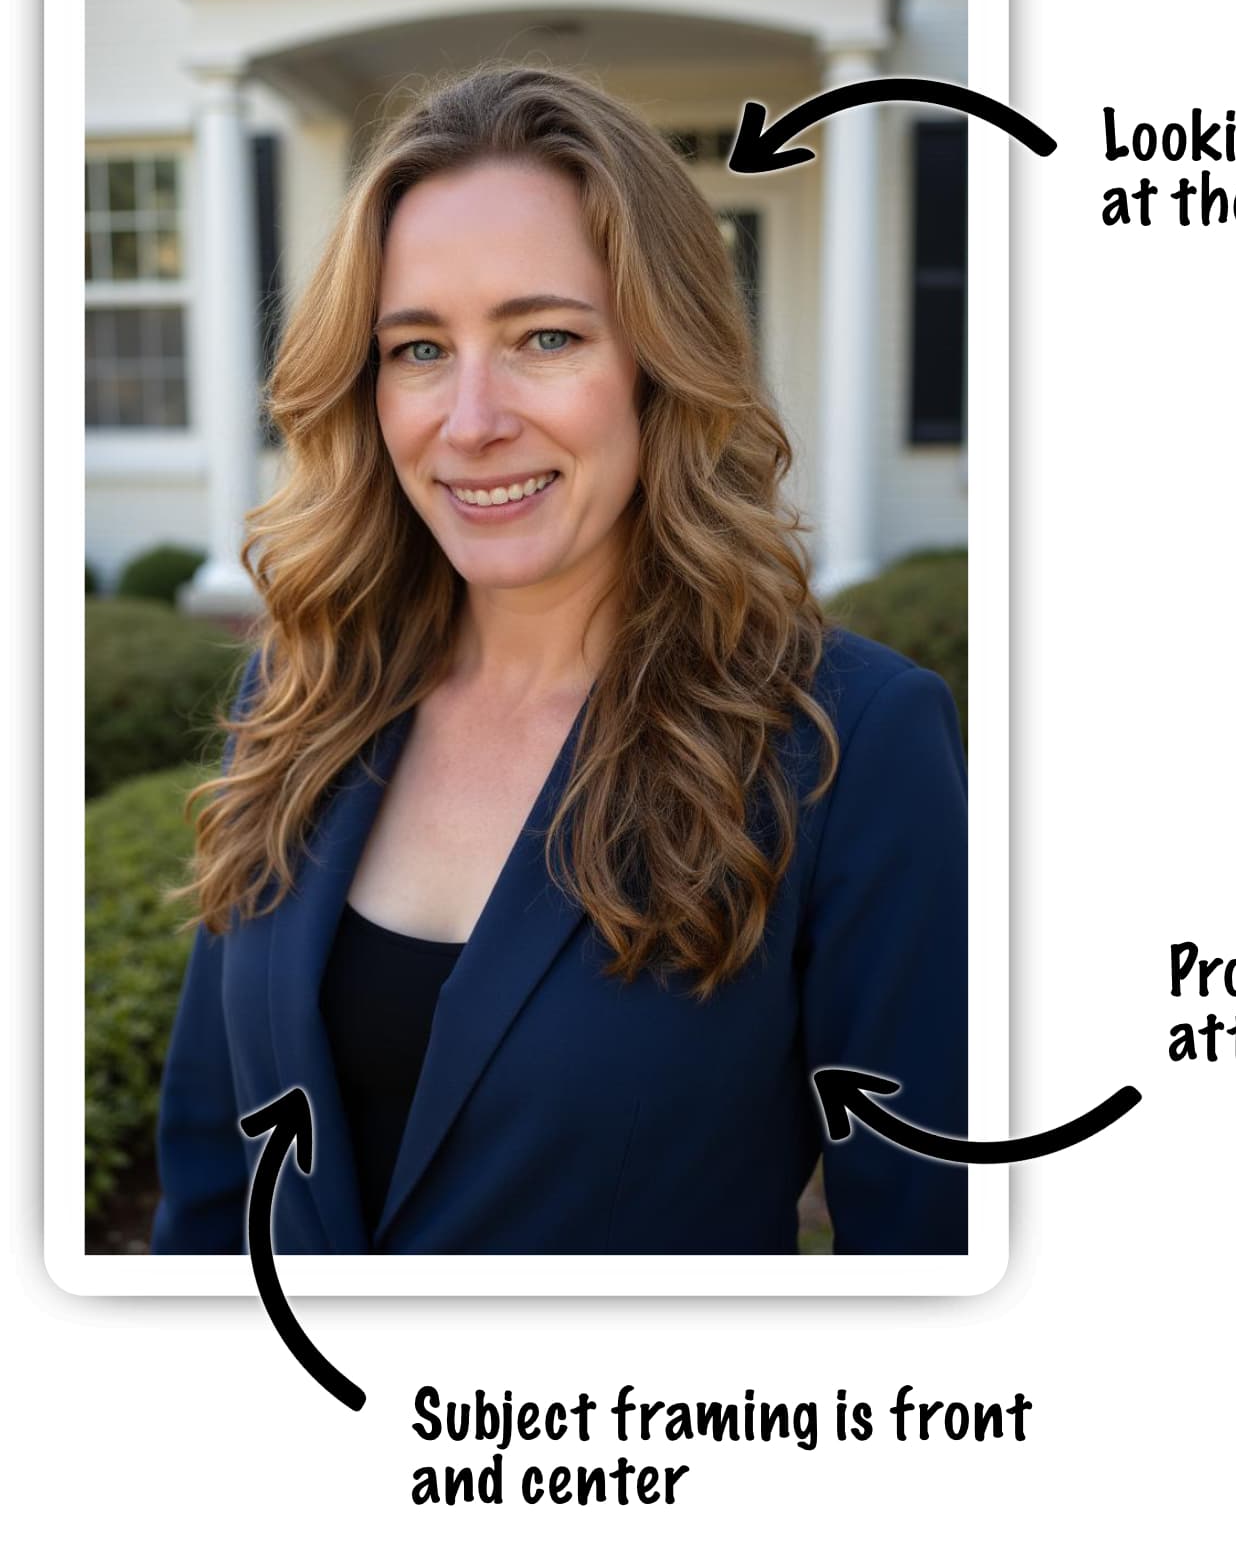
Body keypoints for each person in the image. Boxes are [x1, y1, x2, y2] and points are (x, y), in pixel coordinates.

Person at [150, 66, 968, 1256]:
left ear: (659, 361)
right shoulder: (297, 690)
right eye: (418, 348)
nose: (470, 418)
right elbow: (215, 1178)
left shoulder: (847, 743)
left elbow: (928, 1254)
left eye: (545, 336)